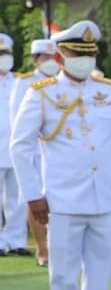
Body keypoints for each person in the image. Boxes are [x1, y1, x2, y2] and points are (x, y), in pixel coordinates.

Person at [10, 20, 111, 290]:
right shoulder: (42, 93)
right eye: (78, 54)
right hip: (63, 201)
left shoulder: (108, 90)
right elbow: (20, 146)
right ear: (61, 56)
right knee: (63, 279)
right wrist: (33, 194)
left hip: (105, 199)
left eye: (90, 54)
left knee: (100, 277)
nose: (85, 60)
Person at [9, 38, 60, 265]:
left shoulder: (61, 80)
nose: (50, 61)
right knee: (35, 198)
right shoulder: (25, 82)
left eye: (53, 57)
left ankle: (59, 245)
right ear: (35, 60)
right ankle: (42, 248)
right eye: (45, 57)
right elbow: (16, 119)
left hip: (57, 152)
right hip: (34, 152)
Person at [0, 33, 31, 258]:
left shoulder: (21, 81)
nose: (4, 57)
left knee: (17, 199)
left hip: (16, 149)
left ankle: (16, 240)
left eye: (7, 53)